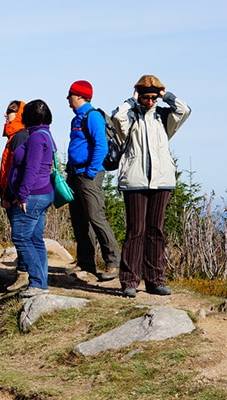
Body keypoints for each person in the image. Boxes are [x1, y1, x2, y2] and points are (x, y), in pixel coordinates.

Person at [111, 75, 191, 298]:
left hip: (162, 180)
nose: (150, 101)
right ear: (139, 95)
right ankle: (129, 281)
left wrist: (167, 96)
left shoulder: (163, 117)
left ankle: (156, 280)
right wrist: (131, 99)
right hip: (135, 181)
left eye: (154, 97)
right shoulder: (130, 117)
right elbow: (117, 117)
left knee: (156, 231)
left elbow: (184, 110)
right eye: (146, 97)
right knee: (135, 231)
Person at [65, 80, 120, 282]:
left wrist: (90, 171)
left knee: (96, 217)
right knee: (80, 220)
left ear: (79, 96)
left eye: (70, 94)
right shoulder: (76, 120)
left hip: (88, 175)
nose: (67, 98)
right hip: (75, 174)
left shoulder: (92, 116)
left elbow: (101, 146)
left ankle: (113, 262)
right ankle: (86, 263)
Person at [7, 99, 55, 298]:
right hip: (42, 192)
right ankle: (41, 282)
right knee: (35, 239)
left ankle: (37, 283)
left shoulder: (35, 138)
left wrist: (22, 195)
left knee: (21, 237)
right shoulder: (44, 134)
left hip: (33, 194)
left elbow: (32, 168)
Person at [0, 100, 30, 292]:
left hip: (15, 196)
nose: (6, 115)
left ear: (19, 115)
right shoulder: (14, 137)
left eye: (10, 111)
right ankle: (23, 271)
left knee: (20, 235)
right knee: (20, 235)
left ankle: (24, 274)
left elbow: (15, 171)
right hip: (11, 194)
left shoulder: (19, 136)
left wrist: (9, 195)